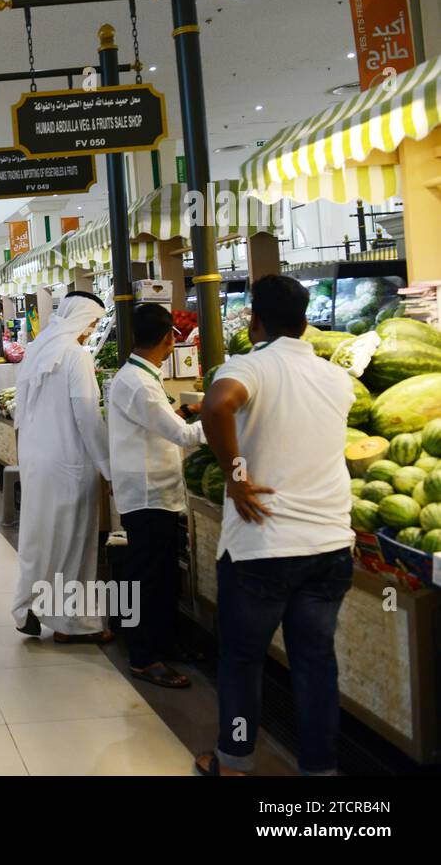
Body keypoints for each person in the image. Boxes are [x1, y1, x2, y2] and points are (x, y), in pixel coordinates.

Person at [195, 275, 355, 777]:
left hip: (263, 546)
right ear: (306, 321)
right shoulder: (337, 378)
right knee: (315, 664)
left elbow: (215, 406)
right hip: (329, 545)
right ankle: (320, 772)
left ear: (255, 321)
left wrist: (236, 476)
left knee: (243, 661)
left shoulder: (250, 365)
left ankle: (235, 762)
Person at [108, 303, 205, 690]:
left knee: (162, 576)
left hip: (155, 491)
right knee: (149, 578)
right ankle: (144, 658)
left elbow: (163, 420)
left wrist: (190, 408)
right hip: (148, 494)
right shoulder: (140, 384)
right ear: (169, 339)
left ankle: (164, 643)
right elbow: (183, 436)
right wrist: (225, 417)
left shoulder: (137, 377)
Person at [10, 291, 112, 643]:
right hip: (69, 462)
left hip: (37, 460)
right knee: (72, 541)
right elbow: (87, 415)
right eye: (93, 323)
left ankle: (27, 607)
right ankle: (72, 624)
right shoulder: (75, 356)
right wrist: (108, 465)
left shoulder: (39, 350)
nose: (91, 330)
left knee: (40, 537)